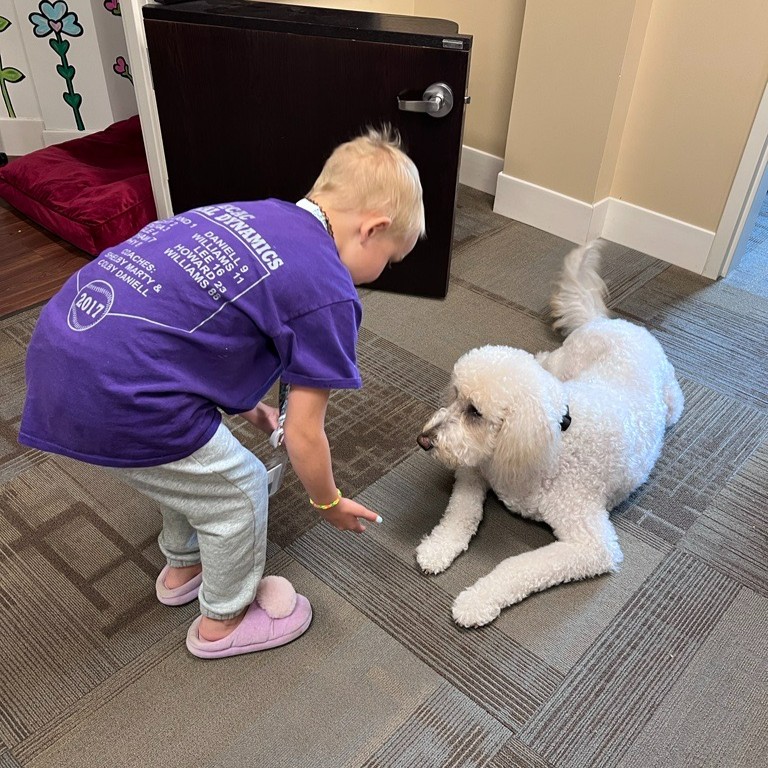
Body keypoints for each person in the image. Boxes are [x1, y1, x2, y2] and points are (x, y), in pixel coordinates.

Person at [19, 126, 425, 659]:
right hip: (122, 391)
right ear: (373, 229)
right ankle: (225, 621)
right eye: (390, 260)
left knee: (189, 469)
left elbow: (199, 320)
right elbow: (304, 433)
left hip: (64, 346)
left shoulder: (256, 214)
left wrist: (250, 406)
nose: (380, 273)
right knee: (238, 490)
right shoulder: (329, 290)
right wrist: (327, 502)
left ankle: (184, 563)